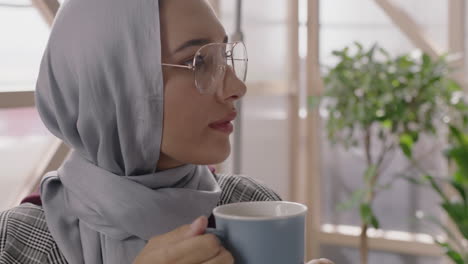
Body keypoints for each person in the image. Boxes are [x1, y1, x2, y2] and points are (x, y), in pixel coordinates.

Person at [0, 0, 333, 263]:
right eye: (200, 62)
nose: (236, 86)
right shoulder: (19, 241)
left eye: (225, 57)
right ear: (113, 84)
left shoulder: (250, 204)